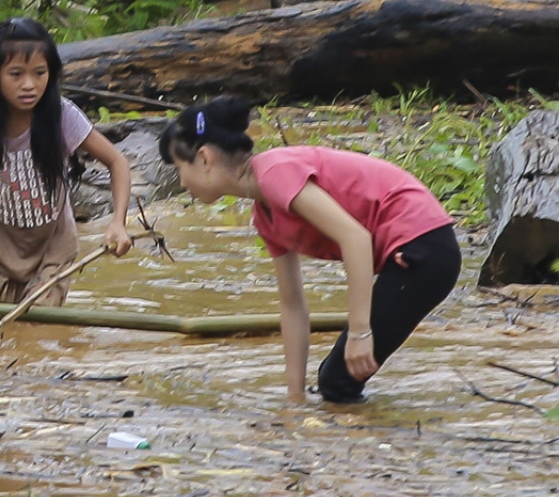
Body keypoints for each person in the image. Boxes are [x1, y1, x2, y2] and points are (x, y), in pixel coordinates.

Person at [158, 96, 459, 404]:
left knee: (338, 380)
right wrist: (295, 400)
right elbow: (293, 307)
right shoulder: (266, 216)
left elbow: (355, 238)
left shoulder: (276, 172)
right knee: (336, 379)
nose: (181, 181)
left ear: (205, 159)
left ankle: (369, 443)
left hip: (423, 247)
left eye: (179, 167)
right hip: (415, 251)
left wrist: (359, 333)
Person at [0, 17, 133, 307]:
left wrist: (118, 222)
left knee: (36, 332)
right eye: (16, 74)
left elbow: (116, 161)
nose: (29, 85)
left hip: (53, 248)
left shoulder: (62, 116)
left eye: (39, 73)